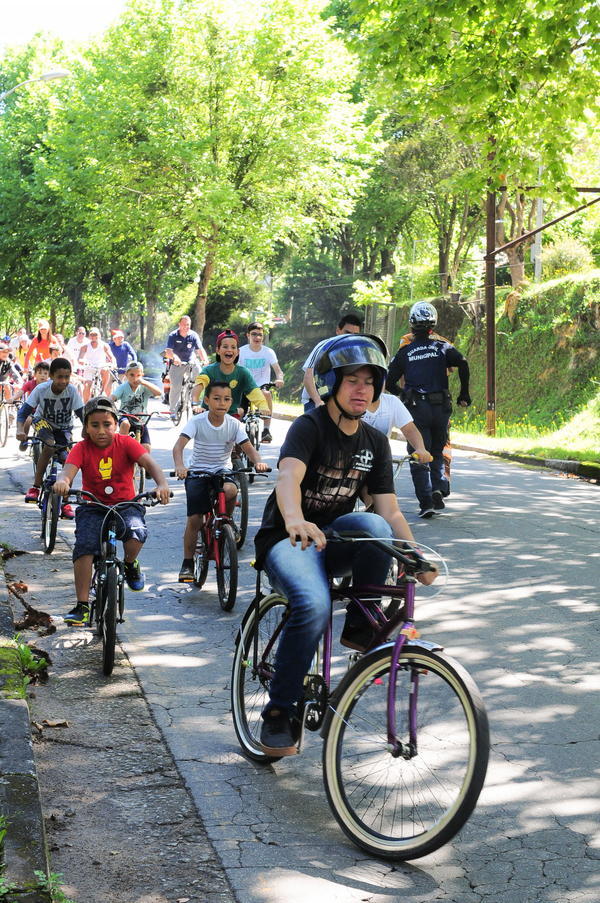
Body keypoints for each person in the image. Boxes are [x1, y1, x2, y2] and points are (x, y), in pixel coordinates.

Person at [253, 333, 437, 756]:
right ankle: (280, 713)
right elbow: (288, 478)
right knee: (314, 605)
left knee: (373, 523)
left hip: (335, 539)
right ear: (332, 383)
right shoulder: (309, 426)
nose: (362, 389)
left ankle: (360, 621)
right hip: (289, 539)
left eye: (370, 382)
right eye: (352, 380)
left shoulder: (374, 442)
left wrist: (415, 557)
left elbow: (390, 513)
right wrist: (296, 519)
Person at [52, 397, 171, 626]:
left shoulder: (126, 443)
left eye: (107, 424)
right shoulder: (81, 448)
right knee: (85, 547)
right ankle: (82, 605)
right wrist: (64, 482)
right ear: (86, 428)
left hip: (125, 505)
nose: (101, 430)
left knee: (136, 533)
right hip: (93, 506)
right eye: (94, 425)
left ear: (116, 424)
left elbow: (150, 464)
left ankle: (129, 564)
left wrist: (162, 484)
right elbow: (68, 471)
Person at [173, 381, 270, 582]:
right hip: (198, 471)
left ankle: (226, 520)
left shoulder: (234, 424)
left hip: (221, 469)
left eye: (226, 399)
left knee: (231, 490)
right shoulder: (197, 422)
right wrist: (180, 466)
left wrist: (258, 461)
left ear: (231, 402)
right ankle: (188, 563)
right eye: (216, 398)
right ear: (207, 400)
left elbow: (248, 448)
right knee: (195, 519)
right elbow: (178, 447)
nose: (221, 403)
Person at [386, 301, 471, 518]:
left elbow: (388, 381)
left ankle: (426, 502)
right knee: (437, 449)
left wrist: (402, 394)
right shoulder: (442, 347)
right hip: (441, 407)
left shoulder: (406, 351)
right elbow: (462, 362)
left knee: (418, 451)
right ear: (433, 325)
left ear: (412, 326)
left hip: (417, 408)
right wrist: (464, 393)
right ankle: (438, 486)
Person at [16, 357, 84, 519]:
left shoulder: (72, 391)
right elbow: (23, 413)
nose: (63, 381)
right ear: (52, 376)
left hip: (64, 429)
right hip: (42, 422)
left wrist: (87, 433)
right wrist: (20, 430)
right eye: (60, 377)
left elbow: (83, 415)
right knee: (49, 444)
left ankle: (65, 502)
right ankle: (36, 486)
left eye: (67, 377)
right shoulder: (41, 389)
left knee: (70, 460)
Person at [192, 330, 269, 418]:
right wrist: (195, 404)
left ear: (238, 352)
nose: (229, 350)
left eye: (233, 347)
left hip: (232, 417)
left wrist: (263, 407)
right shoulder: (208, 370)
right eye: (225, 346)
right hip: (208, 416)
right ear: (218, 350)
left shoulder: (243, 372)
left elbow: (254, 391)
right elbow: (199, 385)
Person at [301, 313, 363, 412]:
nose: (350, 337)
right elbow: (308, 377)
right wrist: (318, 401)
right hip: (315, 402)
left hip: (341, 404)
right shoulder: (323, 347)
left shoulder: (358, 354)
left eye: (355, 335)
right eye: (347, 332)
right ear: (338, 330)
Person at [238, 322, 284, 443]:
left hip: (262, 387)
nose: (257, 337)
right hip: (244, 387)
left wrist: (279, 379)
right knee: (239, 413)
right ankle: (234, 436)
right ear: (248, 335)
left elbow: (279, 371)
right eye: (254, 334)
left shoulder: (268, 352)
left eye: (260, 335)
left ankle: (266, 431)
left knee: (267, 394)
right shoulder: (241, 351)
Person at [163, 315, 208, 421]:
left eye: (188, 325)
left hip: (190, 362)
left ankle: (195, 399)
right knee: (176, 387)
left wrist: (205, 360)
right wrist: (175, 357)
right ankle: (173, 411)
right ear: (179, 324)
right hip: (177, 364)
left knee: (201, 374)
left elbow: (200, 350)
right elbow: (168, 351)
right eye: (184, 324)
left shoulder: (193, 335)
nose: (186, 327)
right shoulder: (173, 335)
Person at [111, 361, 162, 452]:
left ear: (142, 375)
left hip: (141, 420)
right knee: (125, 424)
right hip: (126, 417)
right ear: (126, 375)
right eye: (132, 375)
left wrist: (145, 383)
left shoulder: (144, 387)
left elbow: (159, 393)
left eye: (138, 375)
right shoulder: (123, 387)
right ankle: (121, 450)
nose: (135, 378)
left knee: (146, 449)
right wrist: (110, 404)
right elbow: (112, 398)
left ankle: (140, 465)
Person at [78, 328, 117, 402]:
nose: (93, 336)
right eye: (91, 335)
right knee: (87, 386)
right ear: (89, 336)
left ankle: (103, 390)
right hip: (89, 367)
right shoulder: (85, 346)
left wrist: (114, 363)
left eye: (95, 334)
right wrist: (81, 360)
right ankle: (85, 405)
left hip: (101, 366)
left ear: (99, 335)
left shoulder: (104, 345)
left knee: (105, 370)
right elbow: (80, 357)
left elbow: (112, 357)